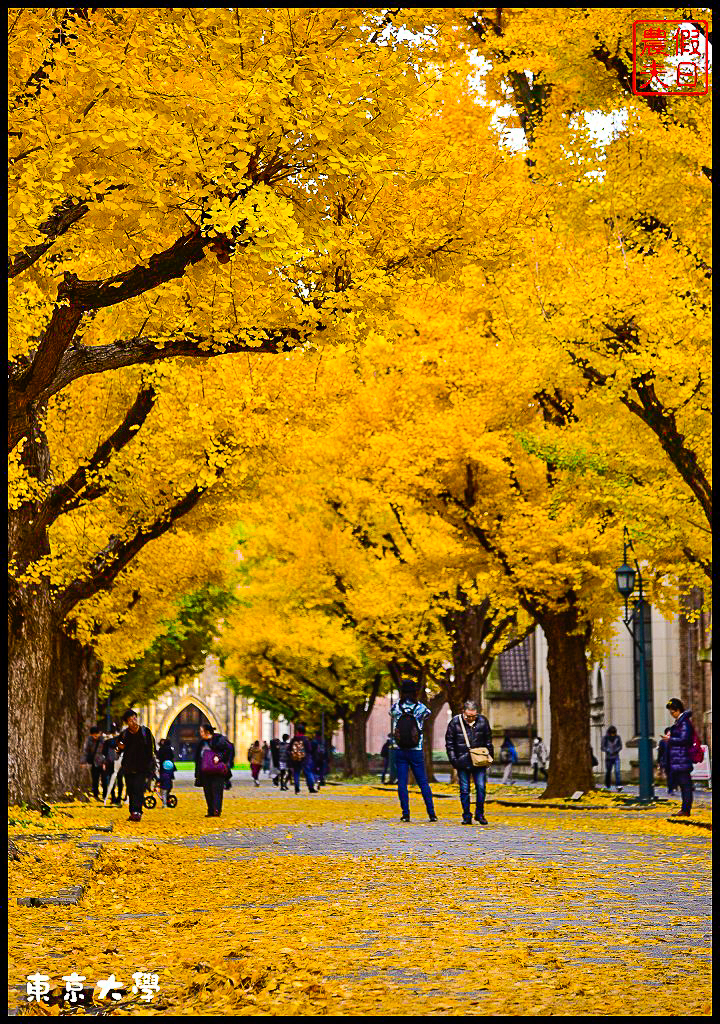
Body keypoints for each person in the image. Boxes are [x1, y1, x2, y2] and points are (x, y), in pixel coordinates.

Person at [391, 679, 437, 823]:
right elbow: (428, 714)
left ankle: (406, 814)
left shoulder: (396, 707)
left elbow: (391, 714)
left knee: (402, 783)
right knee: (423, 782)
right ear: (415, 692)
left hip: (400, 749)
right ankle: (431, 813)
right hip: (416, 749)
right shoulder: (421, 708)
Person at [445, 700, 493, 825]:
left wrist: (489, 758)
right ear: (463, 713)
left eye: (473, 716)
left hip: (479, 761)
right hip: (462, 761)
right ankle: (466, 815)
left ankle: (480, 814)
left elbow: (488, 741)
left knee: (481, 788)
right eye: (468, 716)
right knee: (465, 789)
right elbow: (449, 744)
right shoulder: (455, 722)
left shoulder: (483, 721)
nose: (471, 718)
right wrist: (454, 760)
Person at [117, 710, 156, 822]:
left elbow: (150, 749)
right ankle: (133, 811)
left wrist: (149, 764)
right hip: (128, 766)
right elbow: (118, 749)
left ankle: (137, 812)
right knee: (131, 789)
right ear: (126, 722)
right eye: (130, 720)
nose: (133, 721)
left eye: (134, 718)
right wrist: (119, 748)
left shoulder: (145, 732)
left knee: (139, 789)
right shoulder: (124, 734)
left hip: (142, 766)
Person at [665, 698, 695, 817]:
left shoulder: (684, 722)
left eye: (672, 712)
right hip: (679, 758)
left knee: (686, 785)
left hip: (682, 758)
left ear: (678, 710)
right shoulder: (680, 722)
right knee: (683, 785)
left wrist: (670, 739)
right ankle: (684, 809)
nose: (672, 715)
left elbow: (685, 739)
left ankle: (686, 810)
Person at [196, 724, 234, 816]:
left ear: (207, 732)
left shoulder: (219, 740)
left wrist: (219, 757)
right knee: (208, 792)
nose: (200, 733)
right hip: (205, 771)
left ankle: (217, 810)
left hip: (217, 771)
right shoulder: (202, 743)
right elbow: (197, 758)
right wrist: (197, 773)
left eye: (201, 731)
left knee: (217, 791)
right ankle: (210, 810)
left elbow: (228, 751)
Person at [286, 723, 317, 794]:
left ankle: (297, 788)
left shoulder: (294, 739)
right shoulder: (306, 739)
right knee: (308, 773)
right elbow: (309, 749)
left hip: (295, 759)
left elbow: (288, 749)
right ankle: (311, 788)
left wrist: (292, 755)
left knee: (296, 773)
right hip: (305, 759)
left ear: (297, 731)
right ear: (304, 731)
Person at [101, 725, 124, 804]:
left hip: (111, 762)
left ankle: (114, 797)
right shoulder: (121, 742)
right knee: (119, 780)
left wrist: (104, 762)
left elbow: (104, 753)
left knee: (112, 780)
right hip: (119, 763)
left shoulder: (107, 742)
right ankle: (118, 798)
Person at [83, 725, 106, 799]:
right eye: (93, 735)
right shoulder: (89, 740)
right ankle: (96, 795)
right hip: (94, 763)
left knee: (104, 780)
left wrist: (105, 762)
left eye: (96, 735)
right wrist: (83, 761)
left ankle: (105, 795)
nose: (95, 736)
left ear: (100, 733)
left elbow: (107, 752)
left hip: (103, 763)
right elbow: (86, 751)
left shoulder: (104, 740)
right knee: (95, 780)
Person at [601, 726, 623, 791]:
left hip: (616, 756)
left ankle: (618, 785)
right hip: (608, 757)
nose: (613, 734)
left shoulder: (618, 738)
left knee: (617, 771)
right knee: (608, 771)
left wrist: (616, 750)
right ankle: (607, 784)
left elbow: (620, 746)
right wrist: (607, 750)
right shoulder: (605, 738)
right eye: (612, 733)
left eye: (614, 733)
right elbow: (602, 747)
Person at [657, 728, 675, 794]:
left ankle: (673, 787)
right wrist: (659, 762)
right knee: (669, 775)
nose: (669, 736)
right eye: (668, 734)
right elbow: (660, 752)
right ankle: (670, 789)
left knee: (673, 775)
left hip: (674, 761)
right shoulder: (662, 742)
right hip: (666, 761)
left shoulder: (675, 741)